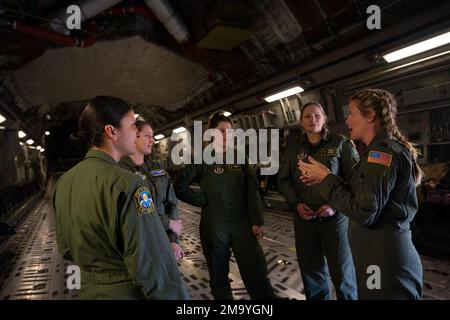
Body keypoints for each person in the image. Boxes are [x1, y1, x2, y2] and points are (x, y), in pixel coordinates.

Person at [52, 96, 190, 300]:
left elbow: (65, 249)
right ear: (112, 131)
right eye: (133, 125)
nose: (136, 132)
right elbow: (151, 262)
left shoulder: (64, 182)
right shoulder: (128, 184)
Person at [298, 89, 423, 299]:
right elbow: (364, 194)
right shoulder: (374, 152)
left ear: (370, 116)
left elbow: (365, 211)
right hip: (374, 255)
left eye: (352, 113)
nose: (347, 120)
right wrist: (328, 178)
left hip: (383, 257)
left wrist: (327, 180)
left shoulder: (381, 153)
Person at [174, 111, 275, 300]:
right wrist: (202, 200)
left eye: (229, 132)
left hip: (242, 223)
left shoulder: (239, 157)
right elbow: (179, 186)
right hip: (214, 224)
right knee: (218, 275)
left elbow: (252, 190)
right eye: (221, 131)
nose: (226, 135)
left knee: (255, 269)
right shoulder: (202, 158)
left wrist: (257, 221)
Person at [278, 102, 358, 300]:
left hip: (335, 220)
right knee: (312, 274)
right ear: (301, 121)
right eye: (307, 116)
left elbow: (356, 179)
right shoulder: (293, 148)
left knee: (342, 273)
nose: (312, 119)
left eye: (316, 115)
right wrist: (295, 204)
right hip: (304, 219)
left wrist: (334, 205)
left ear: (324, 118)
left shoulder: (341, 143)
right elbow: (283, 180)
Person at [120, 120, 184, 262]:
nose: (152, 140)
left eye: (153, 136)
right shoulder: (120, 171)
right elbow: (133, 214)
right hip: (138, 245)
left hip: (163, 240)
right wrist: (168, 223)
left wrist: (173, 240)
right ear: (134, 136)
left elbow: (171, 203)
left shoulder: (158, 169)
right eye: (147, 136)